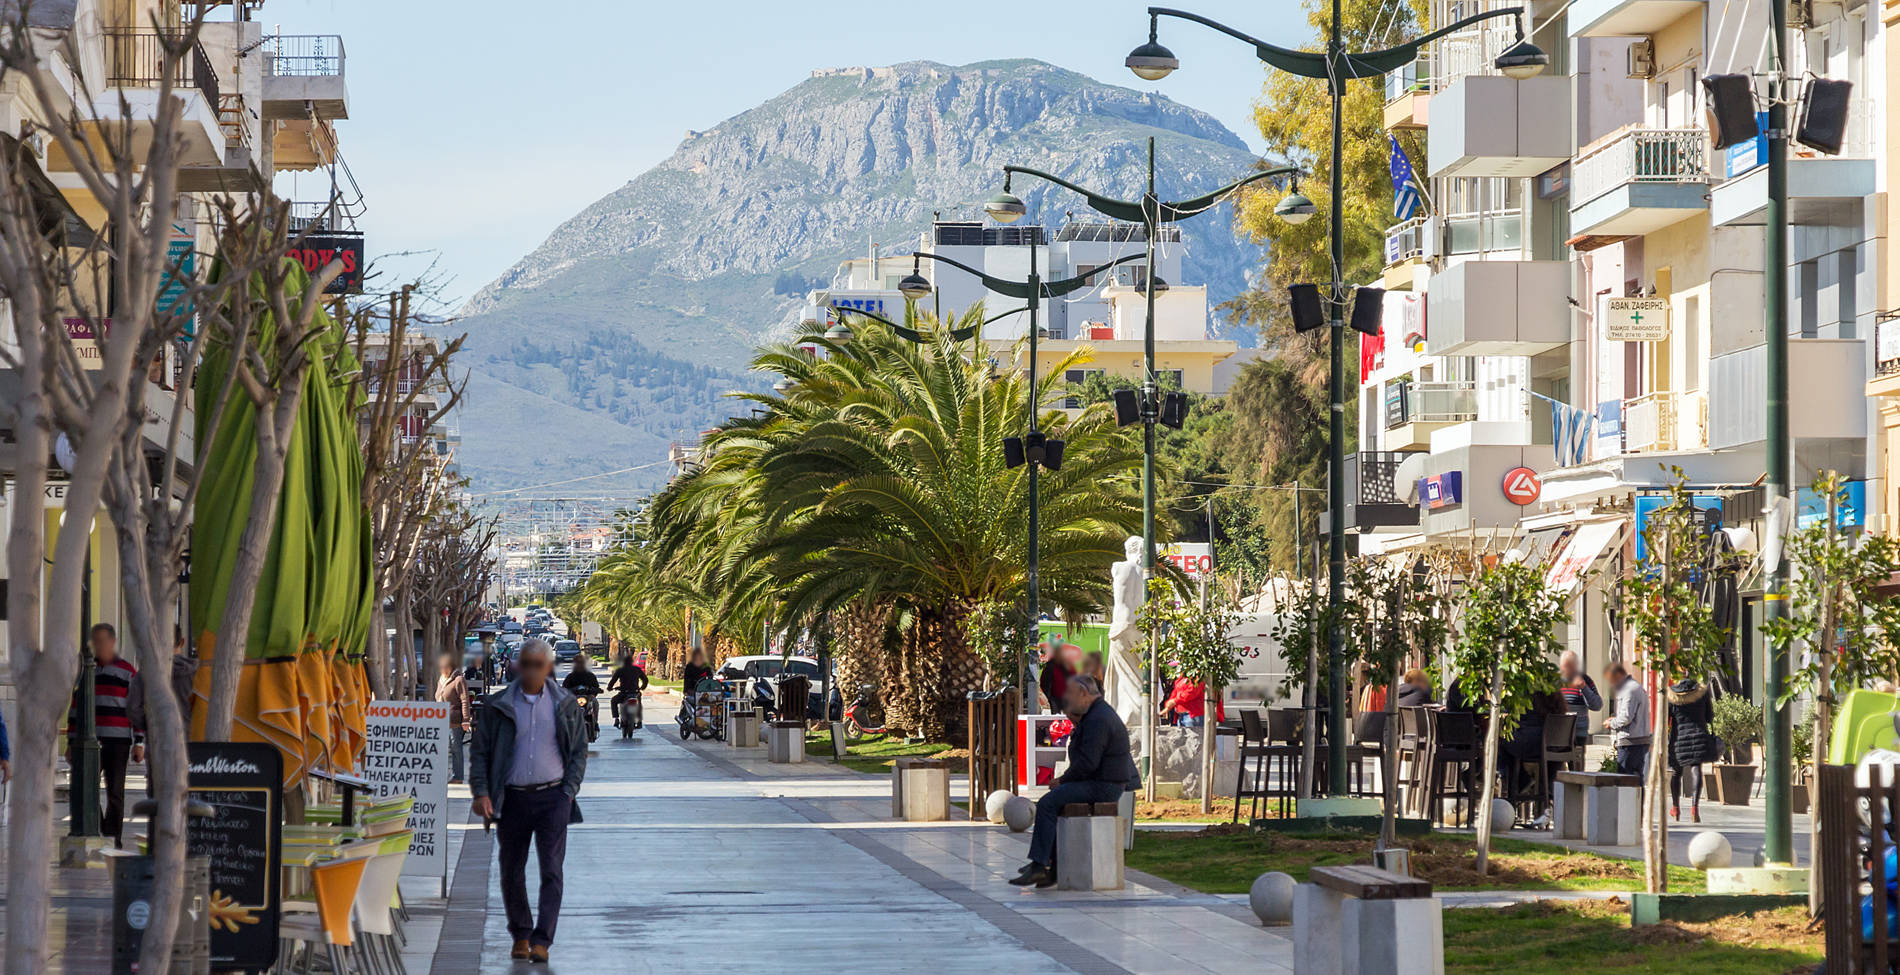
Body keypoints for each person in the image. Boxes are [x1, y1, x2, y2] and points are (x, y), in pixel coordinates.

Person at [469, 639, 588, 964]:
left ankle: (542, 941)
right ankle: (521, 934)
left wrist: (568, 790)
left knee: (552, 869)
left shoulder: (565, 704)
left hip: (553, 798)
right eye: (526, 663)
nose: (532, 670)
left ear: (548, 668)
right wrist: (481, 792)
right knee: (511, 869)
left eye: (538, 664)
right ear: (517, 666)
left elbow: (578, 750)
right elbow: (480, 752)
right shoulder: (499, 706)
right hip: (513, 799)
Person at [1009, 674, 1140, 888]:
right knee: (1055, 803)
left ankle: (1040, 865)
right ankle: (1050, 867)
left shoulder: (1098, 719)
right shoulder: (1096, 714)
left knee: (1047, 803)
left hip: (1105, 787)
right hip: (1103, 782)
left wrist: (1062, 780)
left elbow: (1088, 763)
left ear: (1083, 694)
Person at [1666, 678, 1719, 822]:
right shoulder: (1702, 694)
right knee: (1696, 769)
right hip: (1699, 736)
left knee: (1676, 773)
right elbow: (1709, 717)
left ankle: (1675, 808)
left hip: (1679, 739)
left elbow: (1667, 719)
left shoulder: (1672, 697)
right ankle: (1694, 807)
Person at [1604, 664, 1652, 778]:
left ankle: (1635, 797)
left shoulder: (1629, 690)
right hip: (1639, 739)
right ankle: (1639, 796)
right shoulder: (1636, 687)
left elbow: (1626, 717)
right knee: (1636, 778)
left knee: (1626, 779)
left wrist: (1611, 723)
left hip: (1631, 741)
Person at [435, 651, 473, 784]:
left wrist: (466, 720)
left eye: (445, 667)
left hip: (455, 722)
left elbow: (464, 700)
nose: (443, 669)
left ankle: (458, 776)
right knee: (444, 749)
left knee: (456, 748)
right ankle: (445, 774)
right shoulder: (441, 680)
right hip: (441, 720)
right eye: (441, 667)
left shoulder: (458, 680)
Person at [1558, 650, 1603, 744]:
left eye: (1571, 667)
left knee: (1577, 757)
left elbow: (1597, 705)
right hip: (1558, 730)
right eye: (1566, 667)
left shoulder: (1585, 679)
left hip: (1578, 732)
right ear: (1561, 666)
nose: (1568, 671)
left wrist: (1584, 687)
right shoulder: (1555, 680)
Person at [1158, 675, 1225, 728]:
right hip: (1181, 715)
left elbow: (1192, 691)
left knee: (1196, 741)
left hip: (1193, 715)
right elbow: (1176, 691)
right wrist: (1168, 706)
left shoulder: (1198, 675)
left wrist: (1174, 701)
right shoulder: (1183, 675)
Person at [607, 654, 649, 729]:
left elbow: (613, 680)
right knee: (638, 704)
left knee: (613, 701)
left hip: (624, 693)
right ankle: (639, 721)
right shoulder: (637, 669)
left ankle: (616, 718)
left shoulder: (620, 670)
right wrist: (642, 687)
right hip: (635, 693)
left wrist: (609, 687)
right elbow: (645, 679)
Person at [1037, 641, 1078, 712]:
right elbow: (1044, 682)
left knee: (1067, 718)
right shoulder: (1050, 665)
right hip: (1056, 699)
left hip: (1067, 698)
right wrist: (1050, 697)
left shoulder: (1068, 665)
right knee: (1058, 717)